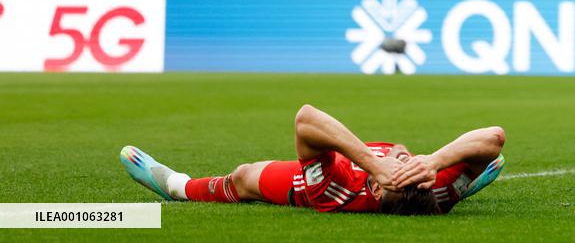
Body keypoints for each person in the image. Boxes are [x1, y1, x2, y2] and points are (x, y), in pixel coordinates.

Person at [120, 103, 505, 215]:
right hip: (433, 189)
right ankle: (463, 182)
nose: (397, 159)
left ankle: (177, 187)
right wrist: (434, 161)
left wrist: (374, 163)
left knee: (244, 176)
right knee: (468, 161)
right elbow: (494, 138)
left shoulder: (339, 189)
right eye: (405, 163)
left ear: (376, 184)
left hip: (313, 187)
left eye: (395, 165)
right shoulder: (428, 184)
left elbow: (306, 119)